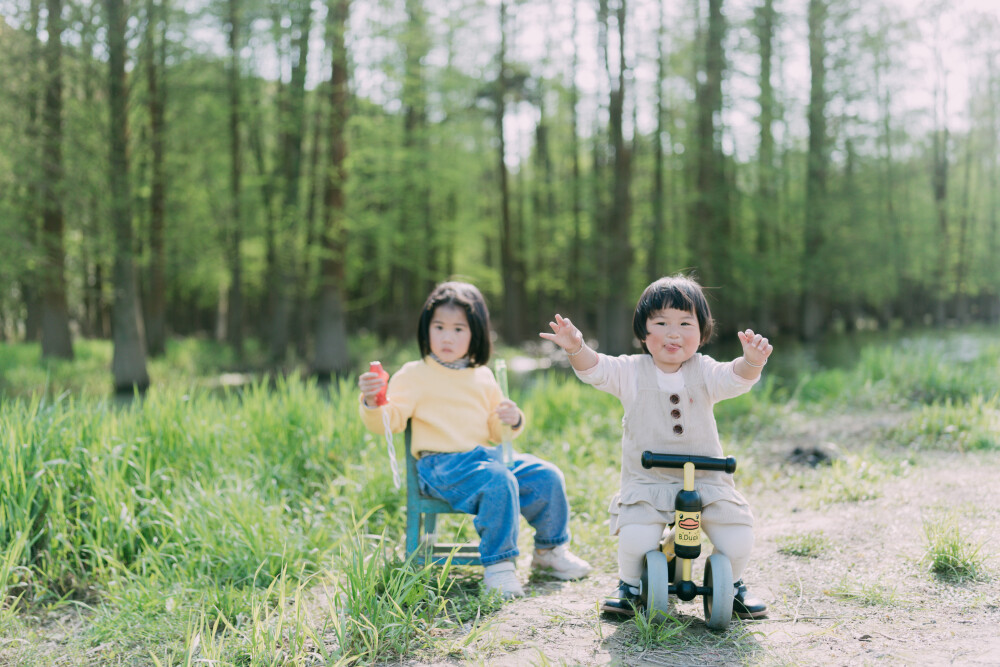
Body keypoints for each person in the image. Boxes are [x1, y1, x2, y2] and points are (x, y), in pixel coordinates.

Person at [540, 274, 771, 619]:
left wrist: (751, 361)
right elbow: (597, 370)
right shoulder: (631, 372)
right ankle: (630, 587)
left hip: (706, 480)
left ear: (703, 331)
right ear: (643, 331)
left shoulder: (704, 371)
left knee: (737, 534)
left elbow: (733, 378)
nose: (673, 333)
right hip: (649, 482)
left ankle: (732, 585)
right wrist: (577, 348)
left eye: (684, 323)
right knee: (636, 539)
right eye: (661, 323)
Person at [359, 281, 591, 599]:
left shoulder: (482, 375)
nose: (446, 336)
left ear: (476, 334)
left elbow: (497, 433)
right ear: (426, 330)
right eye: (438, 327)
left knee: (546, 476)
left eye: (458, 329)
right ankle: (499, 566)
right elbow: (390, 420)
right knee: (498, 481)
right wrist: (374, 401)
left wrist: (512, 419)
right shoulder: (413, 374)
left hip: (487, 456)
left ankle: (549, 552)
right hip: (441, 464)